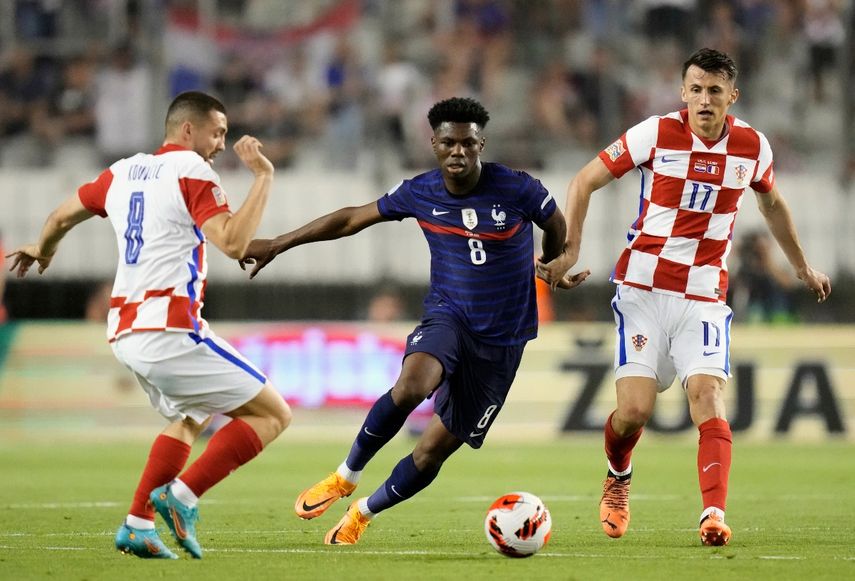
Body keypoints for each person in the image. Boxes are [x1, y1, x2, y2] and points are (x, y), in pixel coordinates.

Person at [239, 96, 587, 545]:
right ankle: (345, 475)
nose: (457, 152)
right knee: (410, 386)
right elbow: (350, 220)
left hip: (503, 340)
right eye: (448, 143)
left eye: (467, 143)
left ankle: (362, 514)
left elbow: (556, 223)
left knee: (431, 451)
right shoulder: (420, 191)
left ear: (482, 144)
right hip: (449, 316)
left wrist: (551, 262)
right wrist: (280, 243)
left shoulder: (517, 188)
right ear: (433, 144)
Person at [537, 48, 831, 547]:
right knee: (633, 412)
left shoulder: (752, 147)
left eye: (714, 91)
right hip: (643, 290)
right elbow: (584, 180)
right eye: (695, 89)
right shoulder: (655, 133)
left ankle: (713, 514)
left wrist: (800, 265)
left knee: (708, 396)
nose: (704, 100)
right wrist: (570, 250)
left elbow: (773, 202)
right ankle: (618, 476)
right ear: (683, 93)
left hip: (704, 294)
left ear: (731, 97)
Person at [6, 91, 291, 559]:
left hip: (126, 329)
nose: (221, 143)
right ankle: (182, 497)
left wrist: (44, 248)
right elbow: (234, 244)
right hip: (170, 328)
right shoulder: (193, 171)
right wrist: (263, 175)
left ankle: (138, 523)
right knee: (273, 414)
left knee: (191, 415)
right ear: (187, 130)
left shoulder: (122, 172)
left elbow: (61, 215)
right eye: (217, 132)